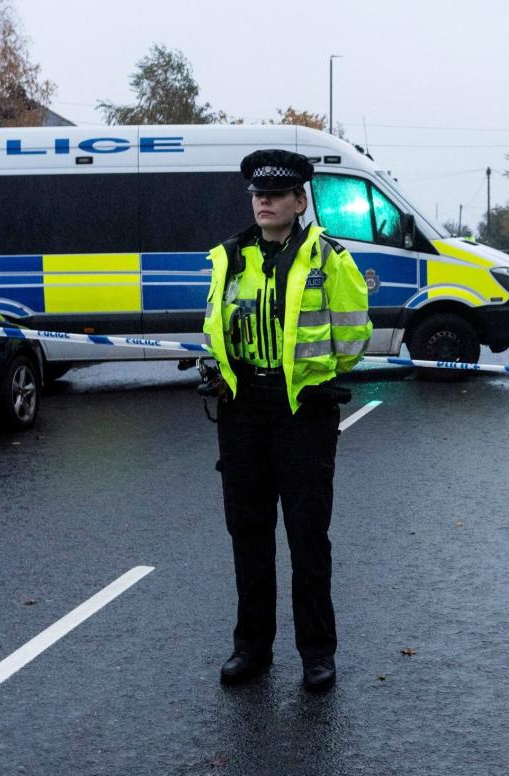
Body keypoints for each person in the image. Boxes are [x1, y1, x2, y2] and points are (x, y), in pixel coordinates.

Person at [200, 149, 372, 692]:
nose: (265, 201)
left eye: (276, 194)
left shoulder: (330, 259)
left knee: (306, 536)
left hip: (304, 410)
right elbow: (215, 326)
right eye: (258, 193)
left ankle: (317, 654)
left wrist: (312, 375)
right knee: (247, 534)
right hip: (242, 407)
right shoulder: (230, 257)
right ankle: (251, 647)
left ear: (301, 201)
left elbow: (352, 338)